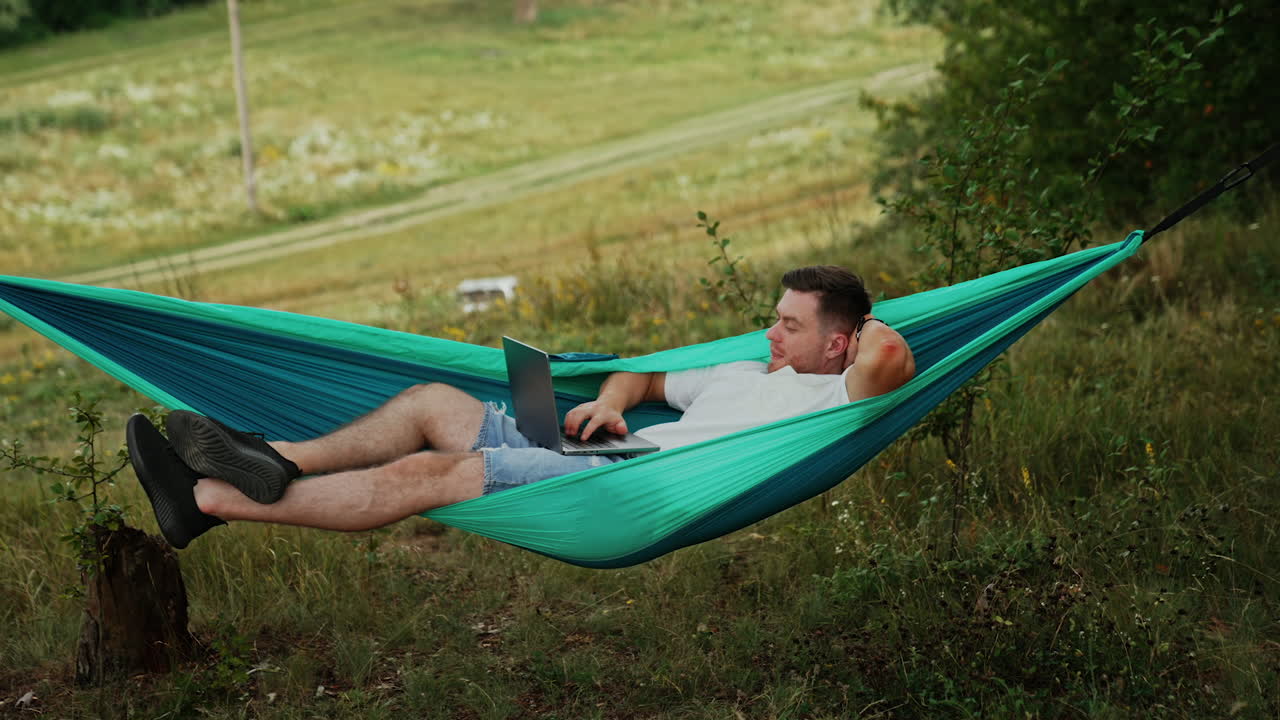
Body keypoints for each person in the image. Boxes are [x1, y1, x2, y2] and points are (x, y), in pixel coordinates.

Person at [127, 265, 915, 549]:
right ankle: (277, 459)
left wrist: (859, 321)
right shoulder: (744, 370)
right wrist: (607, 405)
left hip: (638, 493)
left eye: (789, 325)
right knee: (433, 402)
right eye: (774, 318)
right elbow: (640, 381)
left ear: (837, 342)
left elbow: (889, 352)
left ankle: (208, 501)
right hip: (610, 455)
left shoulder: (835, 393)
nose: (770, 332)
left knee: (436, 473)